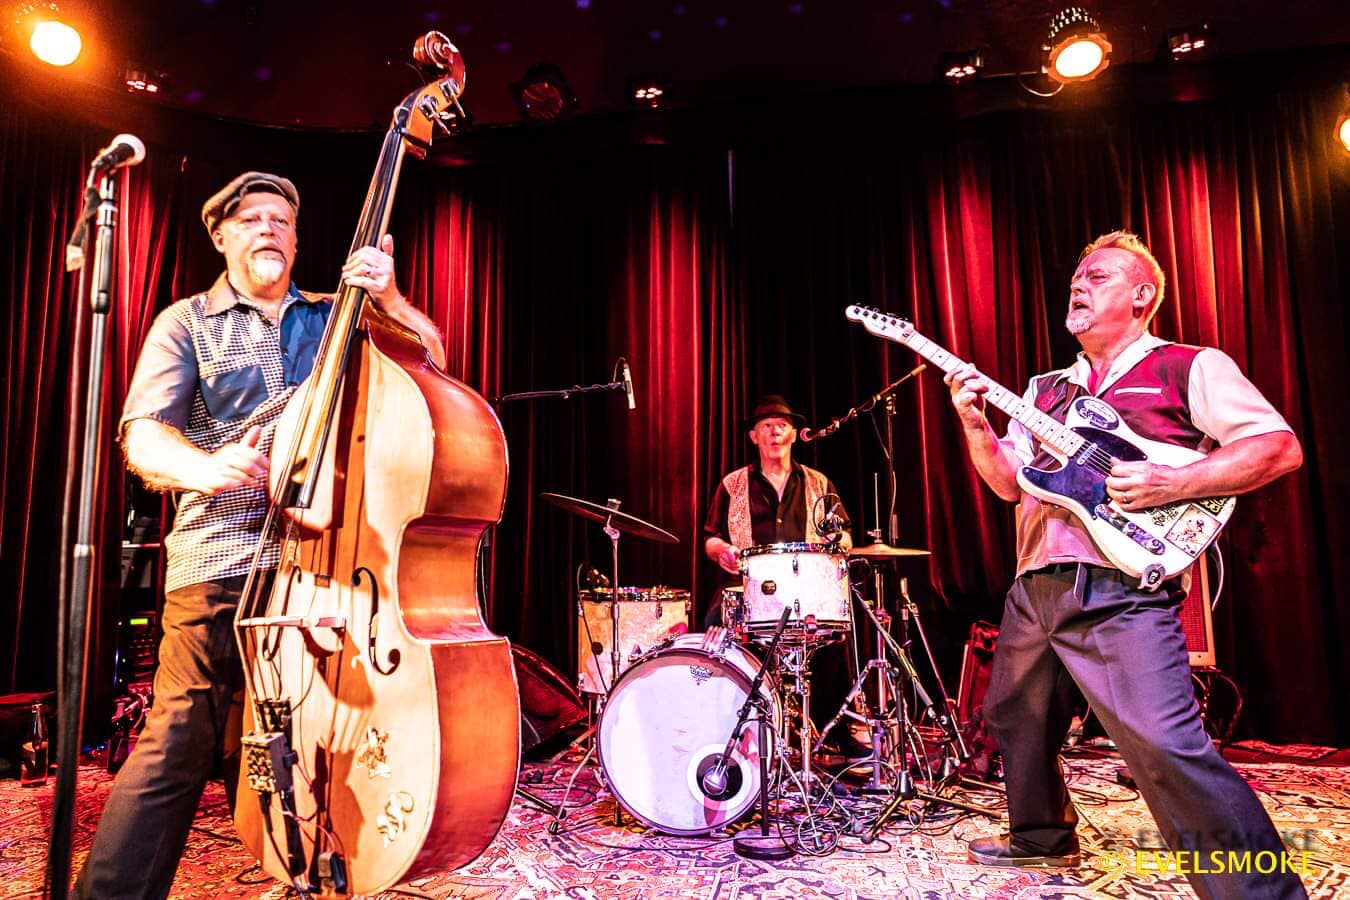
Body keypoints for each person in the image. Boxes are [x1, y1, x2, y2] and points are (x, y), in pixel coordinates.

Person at [75, 172, 446, 899]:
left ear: (298, 240)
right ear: (221, 237)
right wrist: (206, 467)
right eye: (251, 220)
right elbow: (143, 436)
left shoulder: (338, 315)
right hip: (223, 556)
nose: (269, 230)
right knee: (179, 739)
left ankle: (321, 873)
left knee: (318, 740)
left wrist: (391, 300)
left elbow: (430, 363)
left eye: (282, 220)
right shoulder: (186, 322)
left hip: (328, 563)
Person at [946, 230, 1306, 899]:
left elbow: (1277, 447)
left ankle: (1263, 894)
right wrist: (974, 426)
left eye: (1098, 277)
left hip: (1121, 588)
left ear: (1142, 296)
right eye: (1075, 280)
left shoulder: (1188, 366)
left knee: (1164, 745)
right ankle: (1041, 836)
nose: (1078, 287)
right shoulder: (1045, 389)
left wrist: (1178, 481)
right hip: (1037, 580)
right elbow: (1008, 484)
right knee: (1015, 715)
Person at [703, 394, 853, 619]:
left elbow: (845, 536)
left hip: (807, 596)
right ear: (754, 437)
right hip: (748, 594)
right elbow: (711, 538)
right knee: (713, 621)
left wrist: (837, 543)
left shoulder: (819, 483)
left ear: (793, 435)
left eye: (782, 425)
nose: (775, 432)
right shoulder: (731, 485)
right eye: (767, 426)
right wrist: (722, 550)